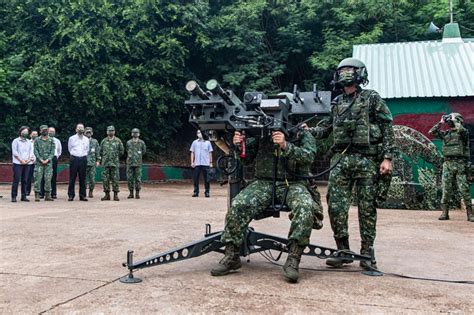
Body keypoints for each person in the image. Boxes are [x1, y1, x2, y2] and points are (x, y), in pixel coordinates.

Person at [307, 58, 396, 270]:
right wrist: (307, 131)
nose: (345, 73)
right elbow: (325, 129)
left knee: (367, 208)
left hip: (367, 159)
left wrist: (387, 158)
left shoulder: (372, 98)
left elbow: (387, 127)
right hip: (341, 160)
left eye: (350, 70)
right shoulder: (337, 102)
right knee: (336, 206)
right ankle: (343, 250)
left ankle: (367, 253)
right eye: (342, 70)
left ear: (359, 73)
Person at [210, 129, 323, 283]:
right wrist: (238, 145)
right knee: (238, 204)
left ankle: (293, 259)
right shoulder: (261, 131)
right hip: (264, 182)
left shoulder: (302, 132)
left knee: (305, 206)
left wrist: (285, 145)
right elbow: (246, 159)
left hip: (293, 183)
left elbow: (309, 157)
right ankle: (232, 255)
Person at [429, 113, 473, 222]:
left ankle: (470, 214)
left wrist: (456, 121)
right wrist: (441, 122)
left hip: (460, 164)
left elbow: (461, 130)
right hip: (447, 164)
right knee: (446, 189)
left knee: (464, 189)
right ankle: (445, 213)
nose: (450, 121)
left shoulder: (463, 133)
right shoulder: (446, 134)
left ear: (458, 121)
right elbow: (432, 132)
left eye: (452, 120)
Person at [99, 126, 124, 201]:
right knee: (105, 179)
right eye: (109, 131)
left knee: (115, 179)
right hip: (105, 163)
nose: (111, 132)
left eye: (112, 130)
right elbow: (100, 151)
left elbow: (121, 151)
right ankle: (107, 195)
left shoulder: (118, 141)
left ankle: (116, 195)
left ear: (114, 132)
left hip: (114, 163)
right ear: (107, 132)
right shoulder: (103, 141)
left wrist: (115, 157)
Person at [67, 123, 90, 201]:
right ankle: (71, 195)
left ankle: (82, 196)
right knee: (72, 178)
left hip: (83, 159)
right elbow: (70, 149)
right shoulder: (72, 138)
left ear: (84, 129)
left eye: (82, 128)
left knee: (83, 178)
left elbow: (87, 149)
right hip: (74, 159)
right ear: (76, 129)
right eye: (79, 128)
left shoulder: (86, 139)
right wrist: (75, 156)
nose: (80, 129)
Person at [11, 126, 33, 202]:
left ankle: (24, 196)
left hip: (27, 163)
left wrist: (28, 160)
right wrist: (21, 160)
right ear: (20, 132)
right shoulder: (15, 141)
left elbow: (31, 152)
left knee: (25, 180)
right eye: (24, 131)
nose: (25, 133)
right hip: (18, 163)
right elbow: (15, 152)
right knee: (16, 180)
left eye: (27, 132)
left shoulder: (29, 142)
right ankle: (14, 196)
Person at [34, 125, 56, 202]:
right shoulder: (37, 140)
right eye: (43, 130)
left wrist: (48, 159)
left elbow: (53, 151)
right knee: (38, 179)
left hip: (48, 163)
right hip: (39, 163)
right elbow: (35, 151)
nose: (45, 131)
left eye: (46, 130)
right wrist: (40, 159)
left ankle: (48, 195)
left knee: (48, 179)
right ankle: (37, 194)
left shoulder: (51, 140)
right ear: (40, 131)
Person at [190, 130, 213, 197]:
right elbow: (192, 152)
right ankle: (196, 192)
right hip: (197, 163)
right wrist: (192, 162)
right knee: (195, 178)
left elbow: (210, 153)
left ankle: (207, 192)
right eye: (197, 133)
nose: (199, 134)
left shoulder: (208, 143)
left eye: (200, 133)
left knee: (207, 179)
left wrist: (210, 162)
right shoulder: (194, 142)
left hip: (205, 163)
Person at [40, 126, 62, 199]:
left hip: (54, 158)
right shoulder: (43, 139)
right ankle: (42, 193)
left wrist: (55, 157)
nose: (52, 133)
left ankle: (53, 193)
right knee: (43, 175)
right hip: (44, 159)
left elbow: (59, 151)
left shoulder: (57, 141)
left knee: (53, 176)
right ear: (47, 132)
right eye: (50, 131)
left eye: (53, 131)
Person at [126, 128, 146, 199]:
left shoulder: (142, 143)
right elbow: (127, 150)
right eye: (134, 133)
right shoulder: (128, 142)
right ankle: (131, 193)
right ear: (132, 134)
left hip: (138, 164)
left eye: (136, 133)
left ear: (139, 134)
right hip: (130, 164)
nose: (135, 134)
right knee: (129, 179)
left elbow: (144, 151)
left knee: (138, 179)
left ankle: (137, 193)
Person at [85, 127, 100, 198]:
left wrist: (98, 160)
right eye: (87, 132)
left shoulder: (95, 141)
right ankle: (83, 191)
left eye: (89, 132)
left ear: (92, 133)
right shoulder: (82, 140)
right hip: (83, 163)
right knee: (83, 179)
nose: (88, 133)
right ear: (84, 133)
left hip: (92, 163)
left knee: (92, 179)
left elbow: (98, 151)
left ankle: (91, 191)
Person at [26, 130, 38, 196]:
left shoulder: (40, 142)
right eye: (33, 134)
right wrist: (30, 159)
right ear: (30, 135)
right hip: (29, 162)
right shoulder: (27, 142)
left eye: (36, 134)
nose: (35, 135)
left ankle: (38, 192)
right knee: (28, 177)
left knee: (38, 177)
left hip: (38, 162)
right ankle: (27, 191)